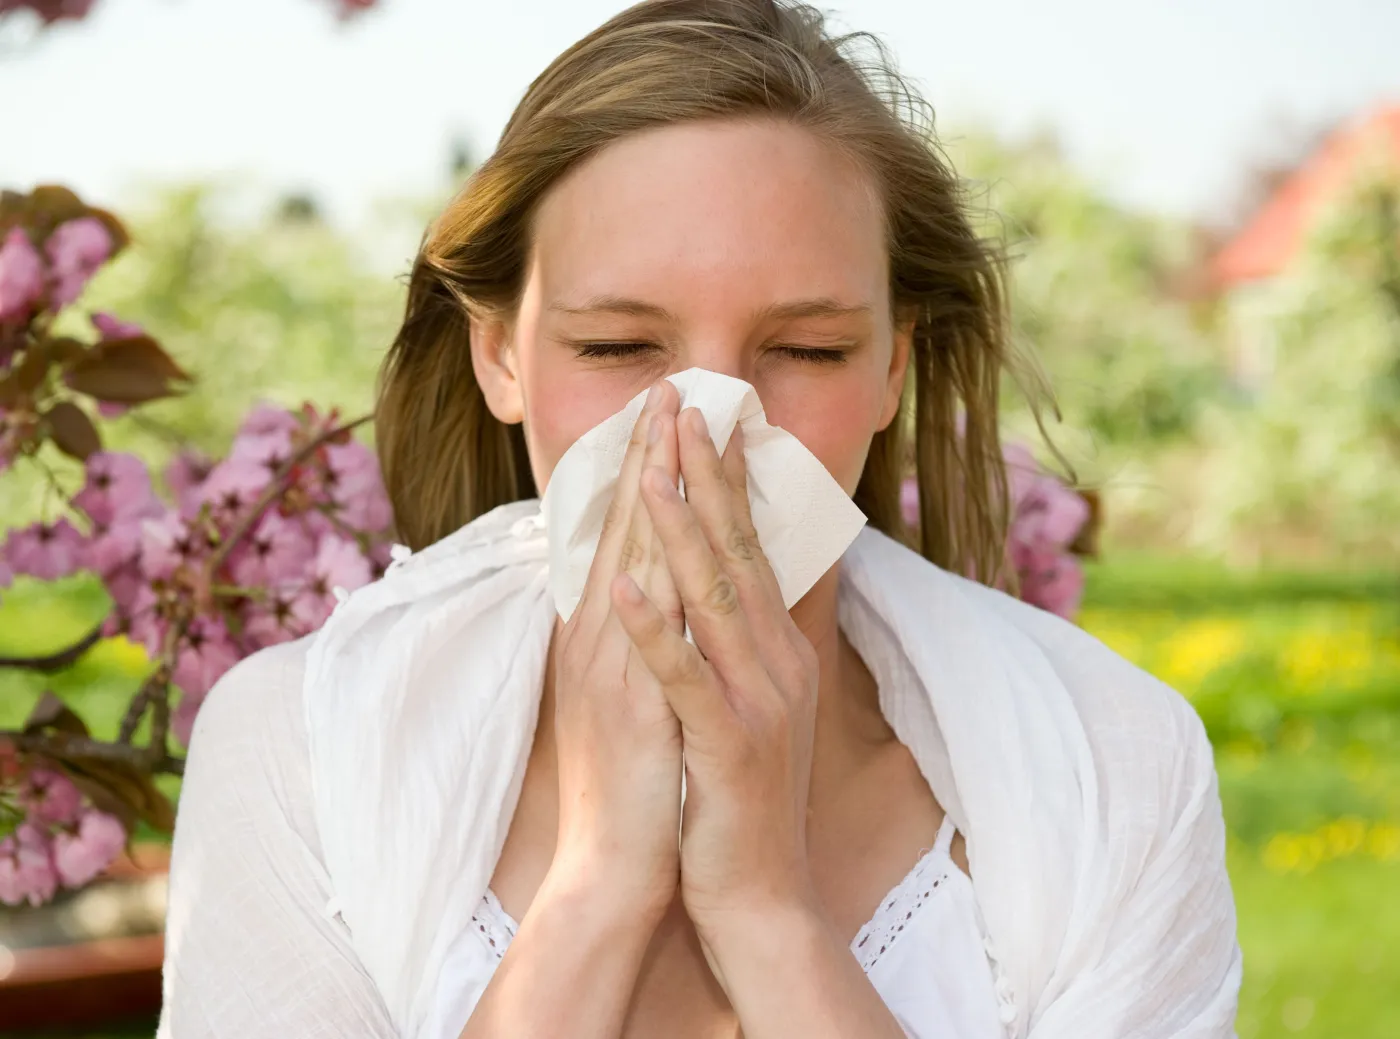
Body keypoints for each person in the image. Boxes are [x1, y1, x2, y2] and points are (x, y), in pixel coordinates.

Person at [155, 2, 1242, 1037]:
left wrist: (768, 911)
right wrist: (595, 886)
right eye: (617, 348)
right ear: (500, 354)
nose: (710, 432)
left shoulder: (1115, 768)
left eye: (807, 350)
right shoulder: (303, 752)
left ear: (891, 366)